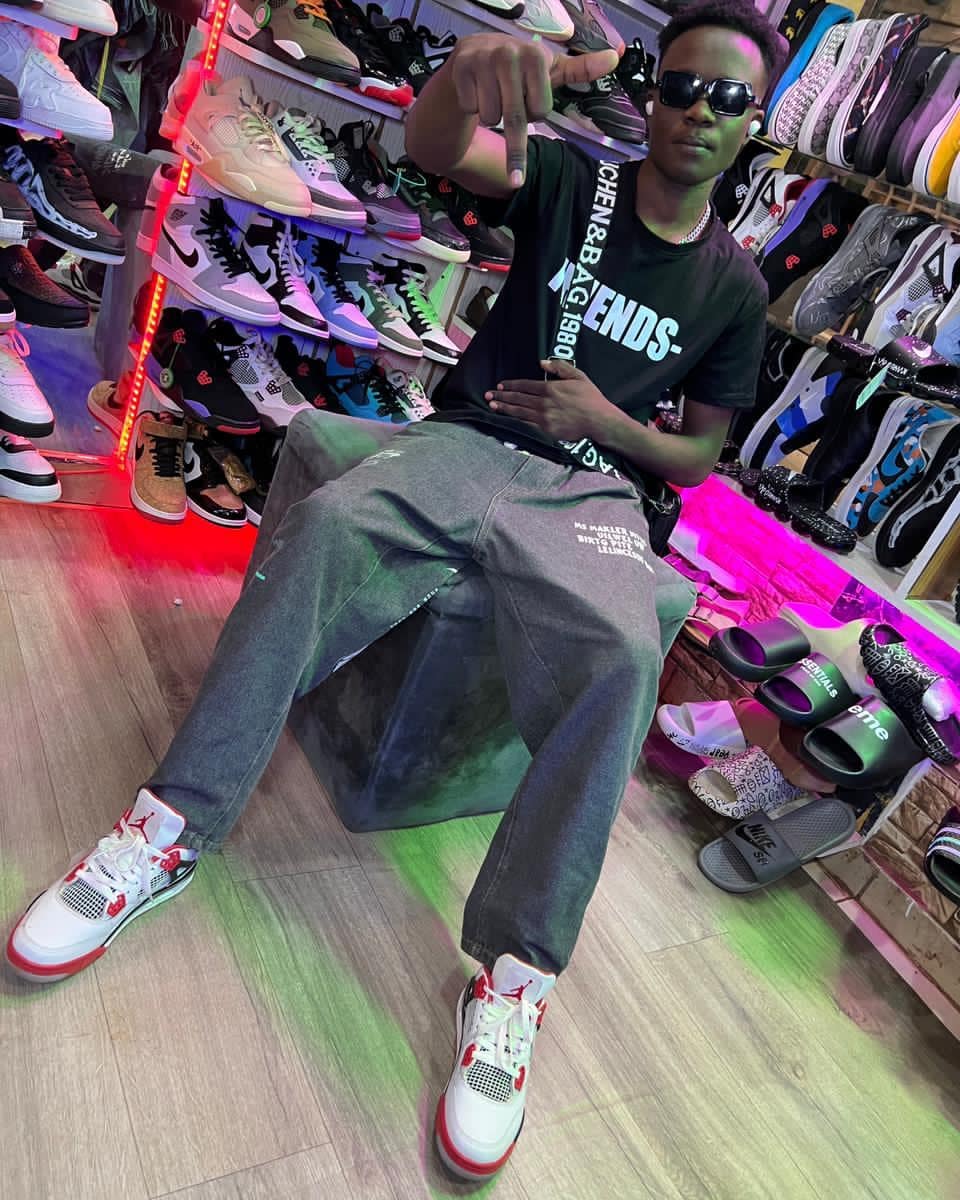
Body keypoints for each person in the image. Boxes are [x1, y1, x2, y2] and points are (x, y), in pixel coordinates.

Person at [6, 0, 784, 1182]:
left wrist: (608, 421)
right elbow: (438, 150)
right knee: (326, 527)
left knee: (628, 657)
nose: (699, 113)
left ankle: (514, 978)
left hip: (592, 488)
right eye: (682, 86)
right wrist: (463, 76)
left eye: (729, 98)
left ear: (755, 122)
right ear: (655, 93)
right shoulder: (578, 182)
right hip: (469, 439)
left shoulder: (735, 284)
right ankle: (165, 831)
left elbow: (698, 456)